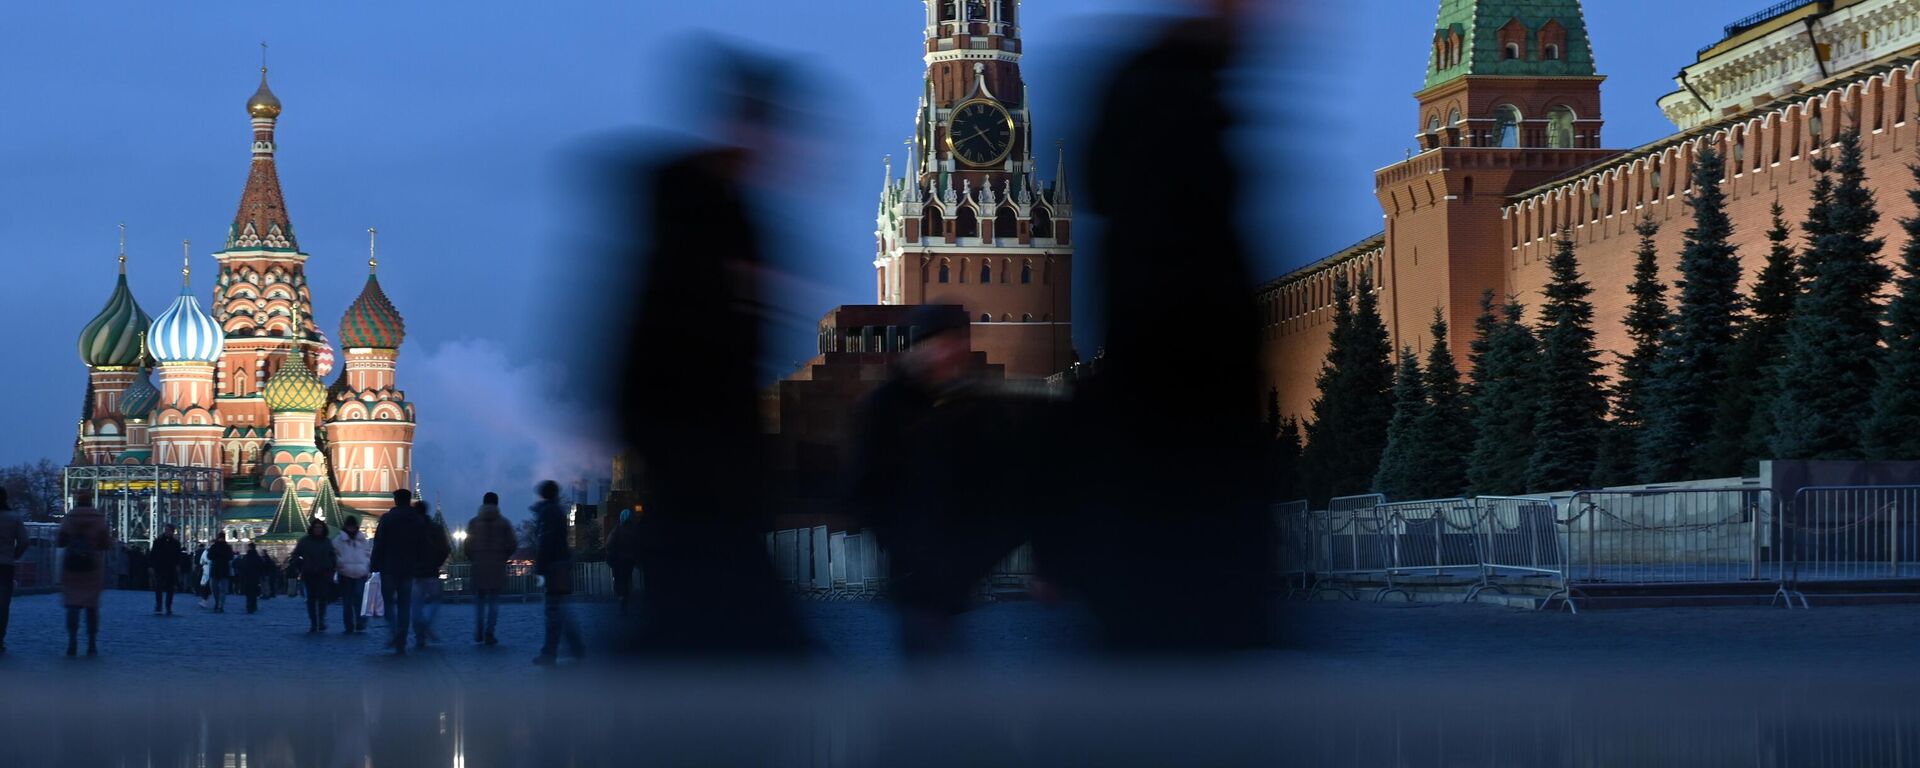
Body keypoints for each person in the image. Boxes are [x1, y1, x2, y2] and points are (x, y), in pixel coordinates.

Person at [851, 304, 1038, 658]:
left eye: (960, 341)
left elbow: (1008, 483)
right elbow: (865, 491)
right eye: (947, 342)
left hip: (957, 587)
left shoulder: (975, 406)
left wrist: (975, 559)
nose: (956, 351)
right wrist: (911, 555)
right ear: (923, 346)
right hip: (919, 585)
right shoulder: (888, 408)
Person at [532, 481, 583, 665]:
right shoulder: (557, 511)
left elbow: (545, 542)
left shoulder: (548, 513)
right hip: (560, 565)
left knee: (554, 611)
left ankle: (550, 653)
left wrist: (539, 568)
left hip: (553, 568)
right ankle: (574, 647)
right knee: (560, 609)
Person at [57, 489, 113, 656]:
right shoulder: (98, 519)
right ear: (91, 501)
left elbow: (60, 540)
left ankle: (72, 640)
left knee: (72, 604)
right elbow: (106, 543)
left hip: (72, 567)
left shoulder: (69, 518)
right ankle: (91, 643)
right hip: (92, 566)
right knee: (91, 606)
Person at [369, 488, 424, 654]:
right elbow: (423, 545)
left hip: (389, 567)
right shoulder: (417, 520)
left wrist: (374, 564)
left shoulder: (387, 519)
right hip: (408, 568)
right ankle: (402, 638)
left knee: (388, 603)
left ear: (395, 500)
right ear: (409, 501)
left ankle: (394, 631)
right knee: (404, 605)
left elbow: (379, 543)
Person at [465, 492, 517, 645]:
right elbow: (512, 544)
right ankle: (490, 632)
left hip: (479, 565)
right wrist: (503, 556)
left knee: (479, 601)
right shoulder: (504, 523)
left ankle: (479, 629)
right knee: (494, 601)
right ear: (497, 503)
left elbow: (467, 546)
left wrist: (474, 557)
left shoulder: (473, 523)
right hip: (497, 566)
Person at [411, 500, 451, 648]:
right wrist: (437, 562)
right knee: (435, 600)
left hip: (415, 573)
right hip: (432, 571)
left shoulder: (411, 530)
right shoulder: (435, 528)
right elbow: (446, 548)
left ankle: (419, 636)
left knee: (415, 605)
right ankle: (426, 623)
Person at [292, 518, 337, 633]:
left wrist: (331, 567)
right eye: (316, 527)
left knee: (322, 598)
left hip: (323, 573)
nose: (318, 530)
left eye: (320, 527)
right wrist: (301, 566)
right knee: (311, 599)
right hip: (309, 573)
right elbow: (295, 556)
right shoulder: (304, 541)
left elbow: (333, 556)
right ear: (312, 528)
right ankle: (313, 622)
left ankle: (321, 620)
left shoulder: (327, 542)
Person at [333, 515, 372, 634]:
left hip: (360, 573)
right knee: (347, 601)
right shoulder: (338, 540)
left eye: (353, 526)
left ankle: (360, 622)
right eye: (349, 526)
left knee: (359, 598)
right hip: (345, 573)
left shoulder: (362, 539)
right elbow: (335, 555)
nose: (351, 529)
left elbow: (367, 554)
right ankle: (349, 624)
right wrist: (340, 564)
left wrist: (366, 565)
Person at [0, 489, 26, 653]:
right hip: (5, 565)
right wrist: (14, 555)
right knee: (3, 604)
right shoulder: (14, 518)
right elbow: (24, 541)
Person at [605, 506, 642, 613]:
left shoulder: (617, 529)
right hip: (630, 560)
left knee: (619, 579)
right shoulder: (634, 530)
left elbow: (609, 544)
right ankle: (626, 596)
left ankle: (621, 597)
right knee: (627, 578)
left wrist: (611, 554)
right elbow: (638, 545)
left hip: (618, 560)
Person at [148, 525, 186, 615]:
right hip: (160, 567)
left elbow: (178, 556)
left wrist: (178, 566)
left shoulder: (176, 543)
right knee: (159, 587)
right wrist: (151, 566)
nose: (167, 532)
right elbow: (153, 554)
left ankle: (168, 606)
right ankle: (159, 605)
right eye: (166, 530)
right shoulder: (158, 541)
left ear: (172, 532)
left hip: (171, 568)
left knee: (170, 588)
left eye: (168, 530)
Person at [237, 543, 268, 614]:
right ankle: (254, 605)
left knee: (248, 593)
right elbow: (262, 567)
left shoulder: (246, 557)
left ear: (249, 548)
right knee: (254, 592)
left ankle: (249, 606)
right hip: (255, 577)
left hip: (247, 577)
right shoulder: (257, 557)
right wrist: (262, 576)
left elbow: (242, 567)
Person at [206, 533, 234, 613]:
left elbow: (209, 556)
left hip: (215, 569)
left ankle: (218, 604)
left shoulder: (214, 547)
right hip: (223, 570)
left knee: (216, 588)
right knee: (221, 589)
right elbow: (230, 557)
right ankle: (219, 604)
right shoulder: (227, 547)